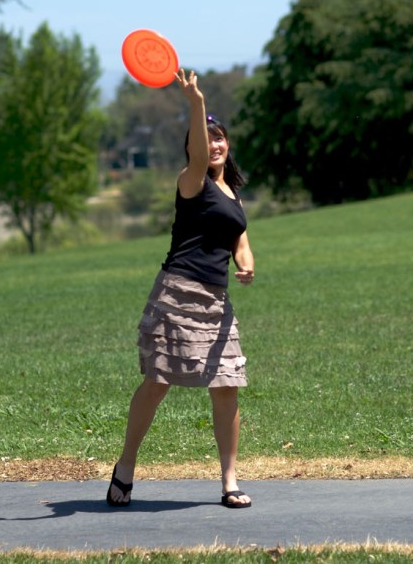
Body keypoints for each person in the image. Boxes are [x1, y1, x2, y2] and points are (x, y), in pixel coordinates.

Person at [107, 68, 255, 509]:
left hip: (216, 301)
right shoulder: (192, 181)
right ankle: (126, 467)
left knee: (227, 385)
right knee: (158, 381)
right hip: (177, 293)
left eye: (220, 138)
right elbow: (196, 148)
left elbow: (241, 243)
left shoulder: (232, 194)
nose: (214, 144)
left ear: (228, 145)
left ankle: (230, 482)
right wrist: (196, 102)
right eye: (207, 139)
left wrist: (246, 267)